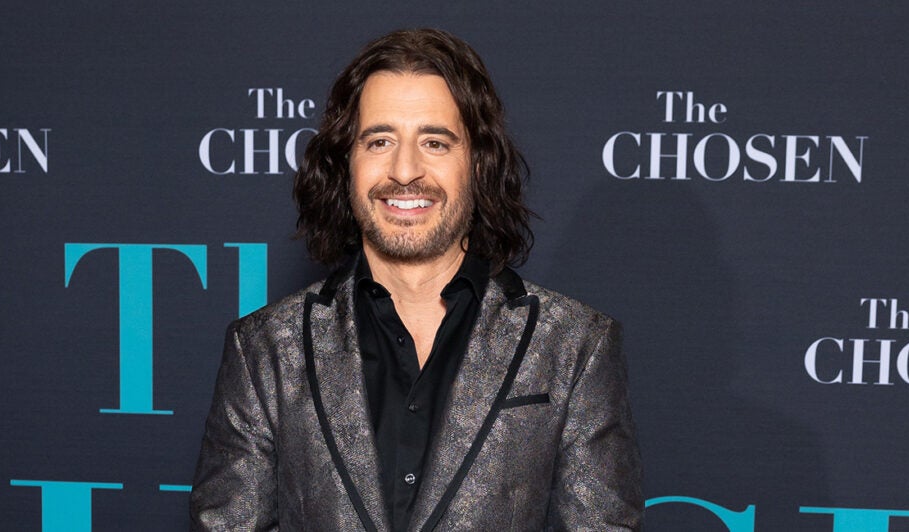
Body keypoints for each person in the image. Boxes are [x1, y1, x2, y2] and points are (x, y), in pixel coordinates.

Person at [190, 28, 643, 531]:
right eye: (380, 141)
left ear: (477, 163)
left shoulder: (575, 346)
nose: (405, 170)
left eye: (435, 142)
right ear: (346, 165)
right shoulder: (265, 350)